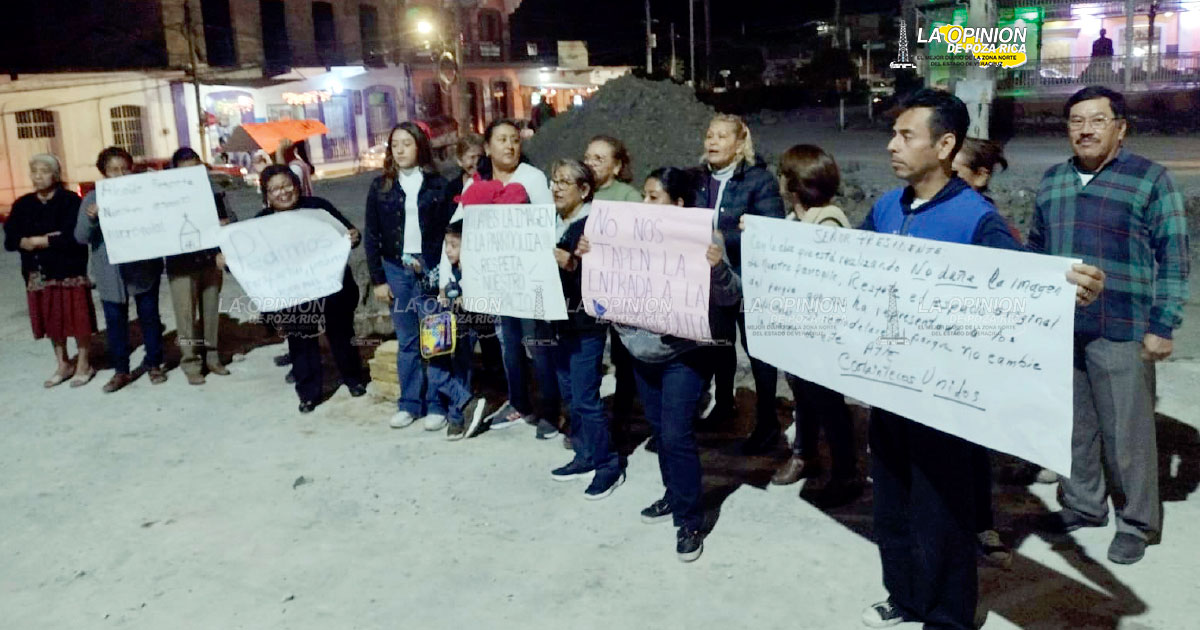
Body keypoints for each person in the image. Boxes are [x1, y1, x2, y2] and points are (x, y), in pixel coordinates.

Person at [858, 89, 1106, 630]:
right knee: (892, 505)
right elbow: (848, 270)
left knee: (940, 514)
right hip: (887, 388)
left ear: (945, 145)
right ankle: (906, 597)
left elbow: (1022, 285)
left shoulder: (975, 218)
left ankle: (948, 617)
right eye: (893, 134)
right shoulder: (883, 207)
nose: (891, 145)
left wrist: (1064, 286)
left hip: (944, 396)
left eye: (906, 135)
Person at [1032, 86, 1190, 565]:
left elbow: (1175, 257)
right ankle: (1083, 505)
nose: (1085, 129)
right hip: (1064, 329)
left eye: (1097, 120)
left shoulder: (1150, 180)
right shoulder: (1053, 180)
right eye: (1076, 121)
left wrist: (1163, 324)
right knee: (1073, 428)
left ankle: (1137, 523)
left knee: (1128, 434)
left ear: (1120, 128)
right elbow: (1037, 252)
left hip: (1123, 326)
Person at [580, 166, 740, 562]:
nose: (644, 203)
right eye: (645, 195)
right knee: (659, 430)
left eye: (654, 197)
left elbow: (732, 295)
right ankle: (674, 493)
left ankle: (689, 519)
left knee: (675, 434)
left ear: (678, 204)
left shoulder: (705, 238)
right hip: (641, 353)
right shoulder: (623, 236)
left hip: (684, 357)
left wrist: (717, 267)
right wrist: (590, 255)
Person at [440, 118, 557, 438]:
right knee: (509, 346)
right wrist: (450, 273)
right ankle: (519, 402)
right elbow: (457, 229)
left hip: (530, 278)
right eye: (502, 140)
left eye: (515, 140)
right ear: (487, 148)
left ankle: (550, 409)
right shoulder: (475, 183)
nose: (510, 145)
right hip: (497, 280)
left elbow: (548, 226)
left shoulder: (532, 179)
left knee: (538, 345)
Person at [762, 145, 863, 509]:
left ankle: (845, 472)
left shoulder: (828, 221)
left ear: (795, 181)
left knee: (829, 404)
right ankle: (805, 455)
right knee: (803, 398)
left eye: (783, 172)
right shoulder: (795, 220)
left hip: (821, 335)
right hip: (796, 332)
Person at [694, 113, 787, 454]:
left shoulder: (759, 180)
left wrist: (724, 238)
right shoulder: (699, 180)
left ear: (739, 143)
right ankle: (723, 404)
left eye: (721, 136)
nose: (712, 142)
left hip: (750, 279)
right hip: (713, 278)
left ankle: (767, 424)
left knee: (757, 350)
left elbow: (772, 226)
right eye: (709, 135)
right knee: (719, 344)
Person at [950, 137, 1017, 567]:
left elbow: (1015, 283)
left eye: (957, 173)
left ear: (980, 177)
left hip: (970, 351)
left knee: (970, 447)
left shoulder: (989, 223)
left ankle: (981, 523)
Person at [256, 164, 367, 413]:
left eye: (287, 185)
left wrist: (353, 236)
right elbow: (248, 260)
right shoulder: (260, 223)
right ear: (266, 195)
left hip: (331, 288)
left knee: (341, 335)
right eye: (274, 189)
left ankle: (354, 379)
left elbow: (350, 233)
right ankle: (308, 393)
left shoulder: (318, 207)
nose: (282, 193)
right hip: (294, 294)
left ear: (297, 186)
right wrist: (226, 260)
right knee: (301, 341)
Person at [365, 122, 454, 430]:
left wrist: (445, 275)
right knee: (407, 341)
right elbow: (372, 235)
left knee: (436, 338)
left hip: (430, 268)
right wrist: (378, 280)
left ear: (420, 147)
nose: (400, 150)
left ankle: (437, 405)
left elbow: (448, 234)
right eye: (395, 145)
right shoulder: (381, 187)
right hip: (396, 270)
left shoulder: (438, 185)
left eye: (406, 143)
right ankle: (410, 403)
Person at [544, 158, 623, 499]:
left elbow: (605, 273)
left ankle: (607, 465)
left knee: (587, 398)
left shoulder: (595, 225)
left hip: (585, 325)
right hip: (557, 321)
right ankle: (584, 453)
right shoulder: (550, 221)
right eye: (554, 180)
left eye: (564, 182)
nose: (557, 187)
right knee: (571, 395)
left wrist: (573, 264)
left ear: (585, 189)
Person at [75, 147, 168, 394]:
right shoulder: (92, 198)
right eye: (113, 170)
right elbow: (81, 236)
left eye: (124, 168)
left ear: (132, 169)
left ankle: (154, 363)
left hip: (144, 269)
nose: (120, 174)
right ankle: (121, 371)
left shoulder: (143, 195)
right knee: (116, 324)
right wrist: (92, 218)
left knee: (149, 318)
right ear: (104, 173)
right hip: (110, 274)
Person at [4, 154, 96, 388]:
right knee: (52, 320)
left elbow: (74, 237)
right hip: (38, 272)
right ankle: (63, 363)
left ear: (55, 175)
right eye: (34, 171)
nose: (38, 176)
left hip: (69, 270)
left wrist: (38, 241)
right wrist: (33, 240)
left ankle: (84, 363)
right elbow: (11, 238)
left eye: (44, 171)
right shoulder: (23, 204)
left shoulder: (70, 201)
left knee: (78, 319)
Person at [584, 134, 642, 438]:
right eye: (588, 157)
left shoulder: (629, 196)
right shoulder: (581, 194)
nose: (590, 164)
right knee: (588, 354)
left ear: (617, 166)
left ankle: (622, 414)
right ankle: (588, 414)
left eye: (599, 159)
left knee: (622, 354)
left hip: (620, 288)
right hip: (587, 287)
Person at [165, 147, 236, 385]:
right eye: (185, 171)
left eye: (196, 169)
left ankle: (213, 358)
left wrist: (225, 224)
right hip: (181, 266)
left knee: (210, 313)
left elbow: (231, 220)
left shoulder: (214, 192)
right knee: (185, 318)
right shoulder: (165, 198)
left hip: (211, 262)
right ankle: (190, 363)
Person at [434, 220, 487, 440]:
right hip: (443, 324)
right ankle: (468, 403)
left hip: (467, 325)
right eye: (446, 245)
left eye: (454, 246)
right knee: (435, 371)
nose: (448, 250)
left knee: (461, 369)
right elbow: (436, 287)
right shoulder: (449, 269)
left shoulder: (474, 271)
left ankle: (457, 418)